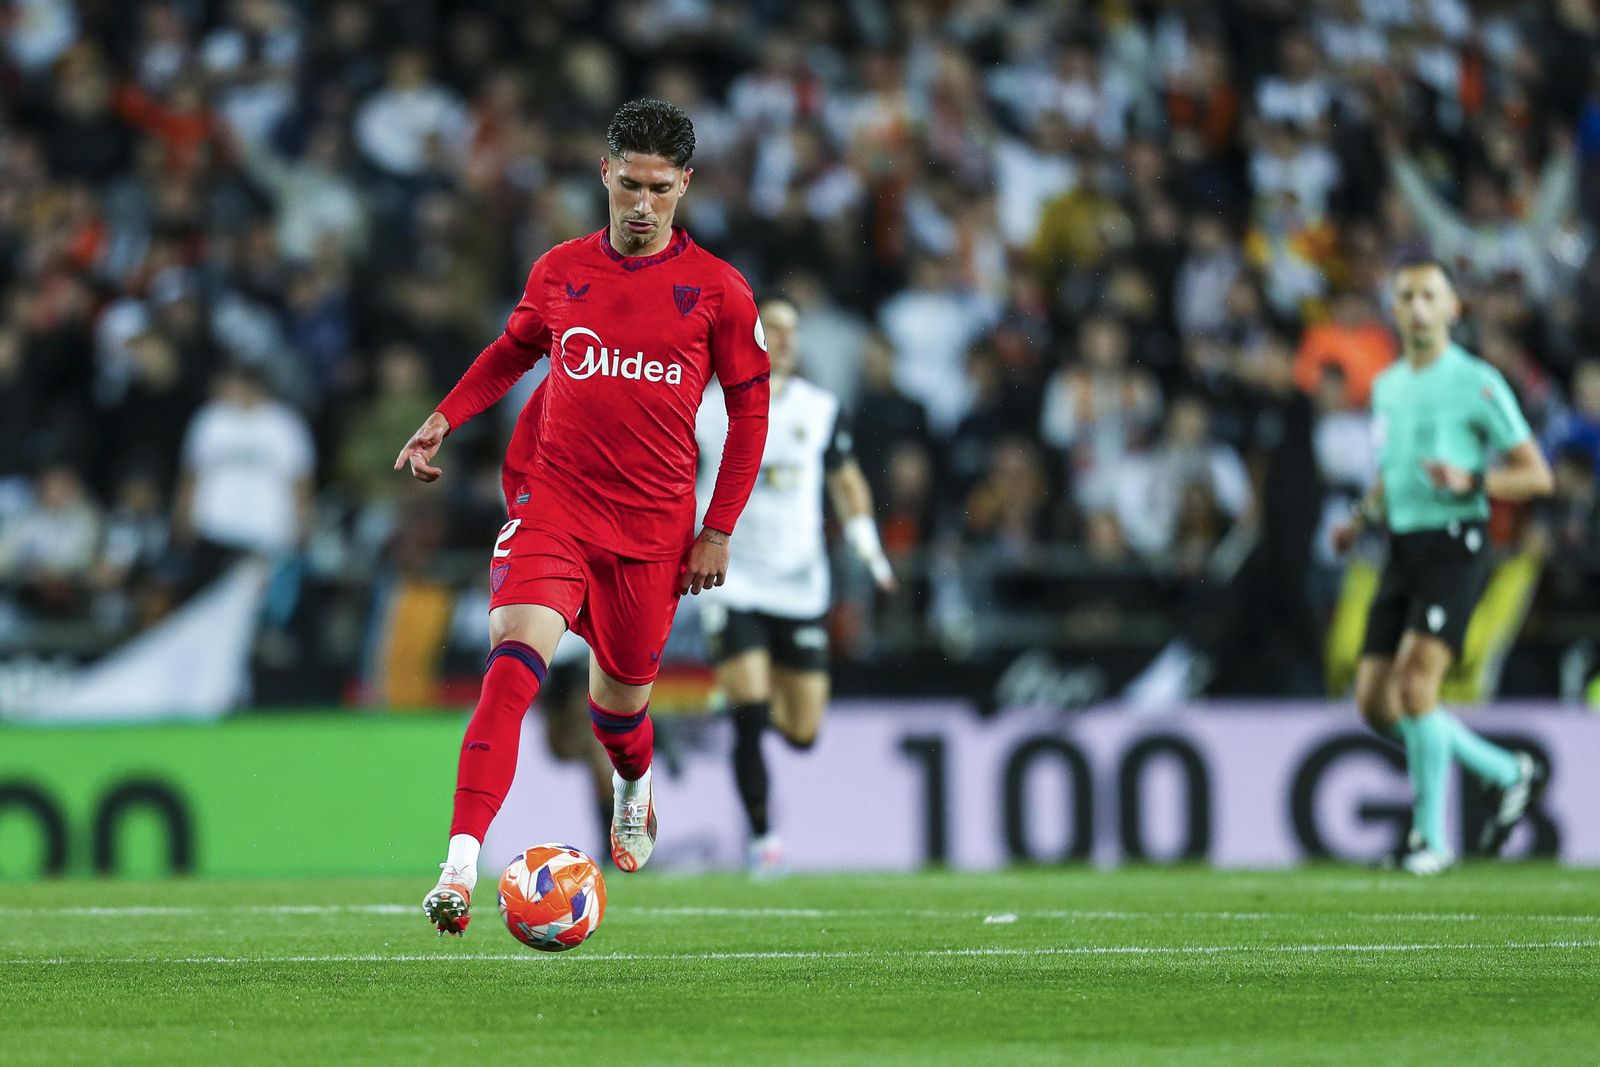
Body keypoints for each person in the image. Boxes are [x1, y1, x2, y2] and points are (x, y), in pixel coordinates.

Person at [394, 100, 771, 934]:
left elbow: (750, 414)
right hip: (553, 502)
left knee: (620, 713)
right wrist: (444, 416)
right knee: (511, 664)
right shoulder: (560, 269)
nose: (642, 205)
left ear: (686, 187)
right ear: (604, 174)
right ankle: (458, 864)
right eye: (629, 184)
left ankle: (632, 784)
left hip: (655, 530)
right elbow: (511, 351)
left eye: (660, 190)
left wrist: (718, 527)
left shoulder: (718, 292)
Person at [1333, 258, 1553, 875]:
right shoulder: (1388, 386)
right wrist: (1360, 516)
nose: (1419, 307)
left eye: (1431, 295)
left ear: (1454, 309)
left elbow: (1537, 475)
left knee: (1416, 686)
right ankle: (1507, 771)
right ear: (1395, 310)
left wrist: (1472, 479)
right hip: (1401, 547)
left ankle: (1428, 840)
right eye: (1407, 296)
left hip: (1455, 544)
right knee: (1376, 704)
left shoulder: (1477, 382)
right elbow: (1391, 470)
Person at [694, 299, 894, 874]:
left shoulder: (820, 407)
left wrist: (864, 539)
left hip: (801, 582)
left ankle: (737, 699)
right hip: (732, 579)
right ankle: (763, 838)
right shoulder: (708, 408)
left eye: (791, 330)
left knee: (803, 732)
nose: (784, 339)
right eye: (771, 328)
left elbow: (846, 478)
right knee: (752, 717)